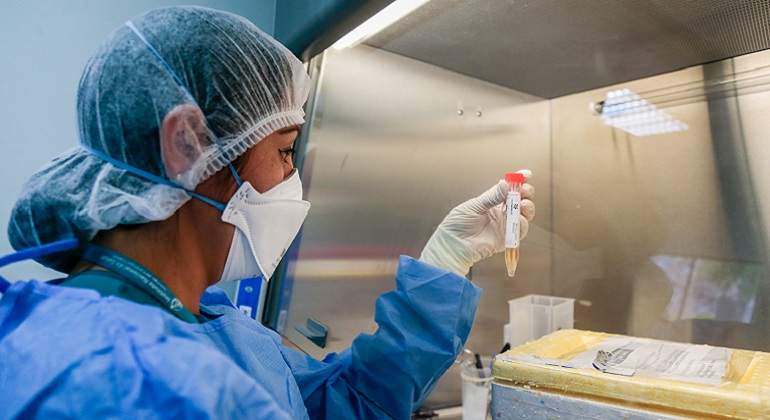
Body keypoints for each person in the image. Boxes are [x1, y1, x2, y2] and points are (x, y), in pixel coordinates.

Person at [0, 6, 535, 419]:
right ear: (186, 145)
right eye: (283, 150)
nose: (290, 177)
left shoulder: (211, 323)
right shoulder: (122, 382)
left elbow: (344, 403)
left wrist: (445, 262)